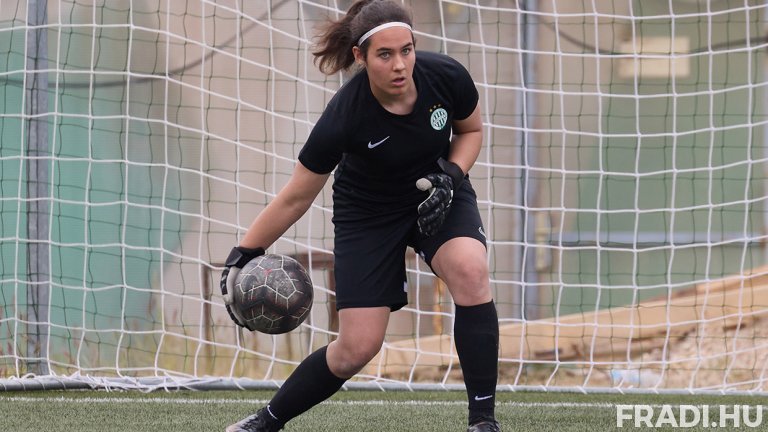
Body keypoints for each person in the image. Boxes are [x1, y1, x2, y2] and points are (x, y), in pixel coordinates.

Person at [220, 1, 500, 431]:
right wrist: (244, 252)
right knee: (356, 348)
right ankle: (265, 421)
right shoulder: (344, 116)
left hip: (437, 192)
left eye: (406, 50)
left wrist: (452, 174)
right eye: (385, 54)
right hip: (368, 214)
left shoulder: (446, 76)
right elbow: (296, 197)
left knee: (471, 269)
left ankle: (482, 421)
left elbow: (471, 131)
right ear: (360, 56)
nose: (399, 64)